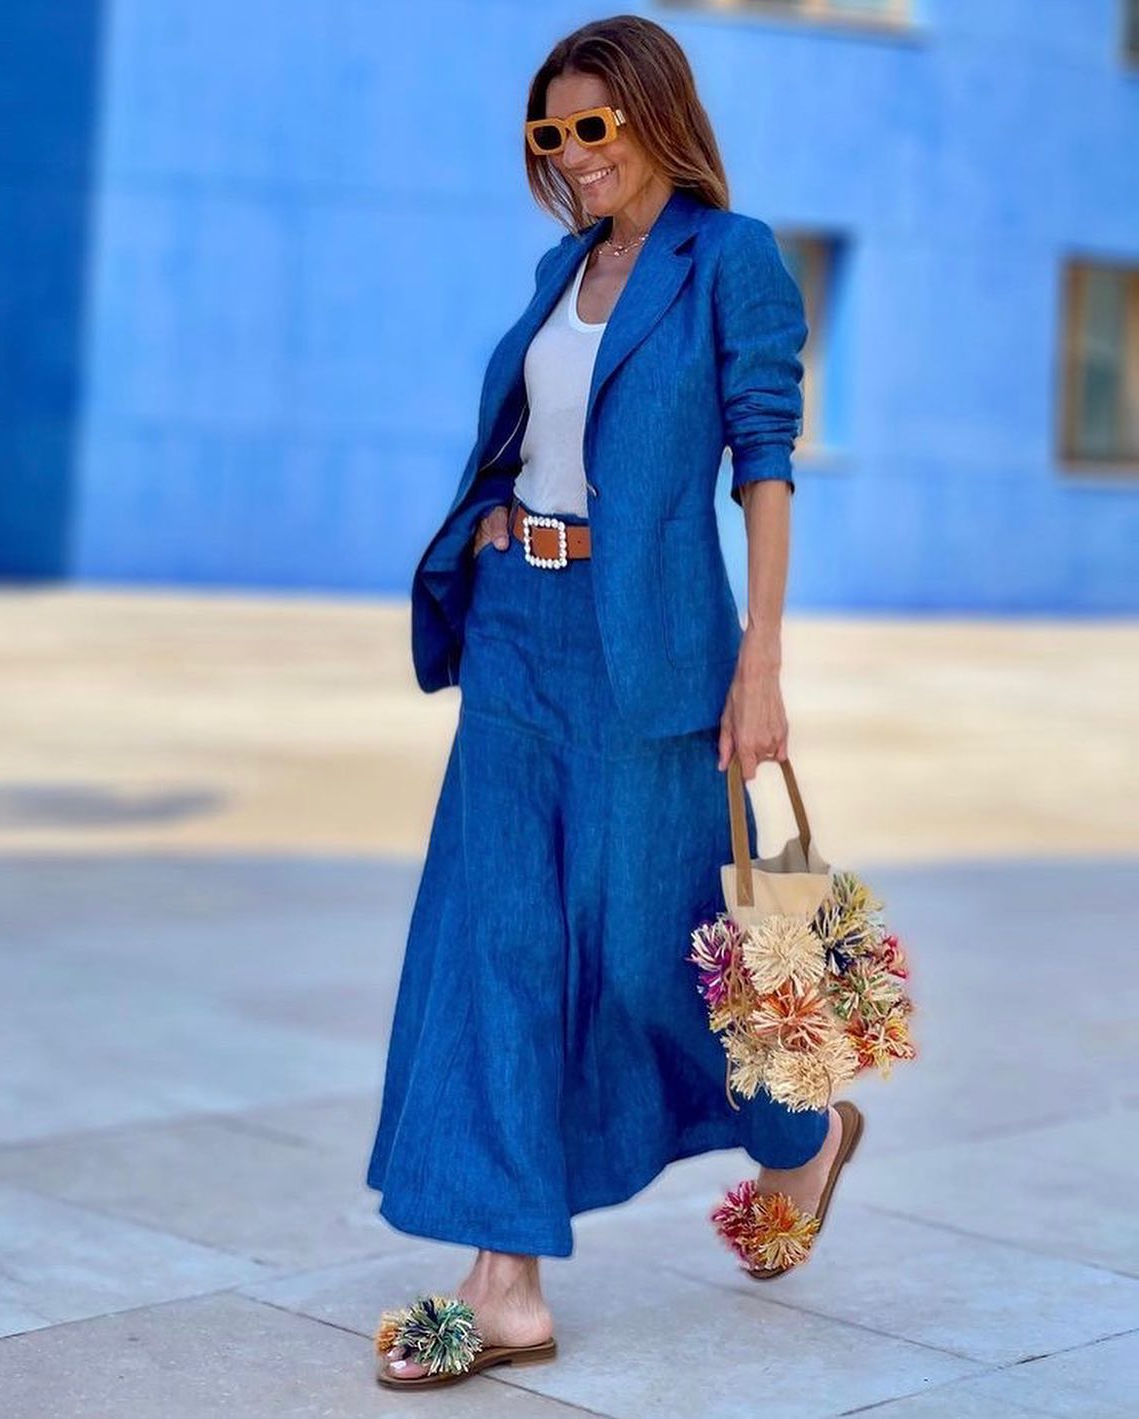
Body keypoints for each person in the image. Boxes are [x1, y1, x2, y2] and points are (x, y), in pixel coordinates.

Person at [368, 15, 859, 1390]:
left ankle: (801, 1139)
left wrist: (758, 666)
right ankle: (502, 1281)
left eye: (594, 125)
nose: (574, 156)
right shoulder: (559, 266)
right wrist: (485, 532)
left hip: (653, 654)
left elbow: (762, 463)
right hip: (520, 632)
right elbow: (534, 435)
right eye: (551, 132)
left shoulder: (731, 259)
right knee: (494, 942)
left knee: (665, 955)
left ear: (651, 115)